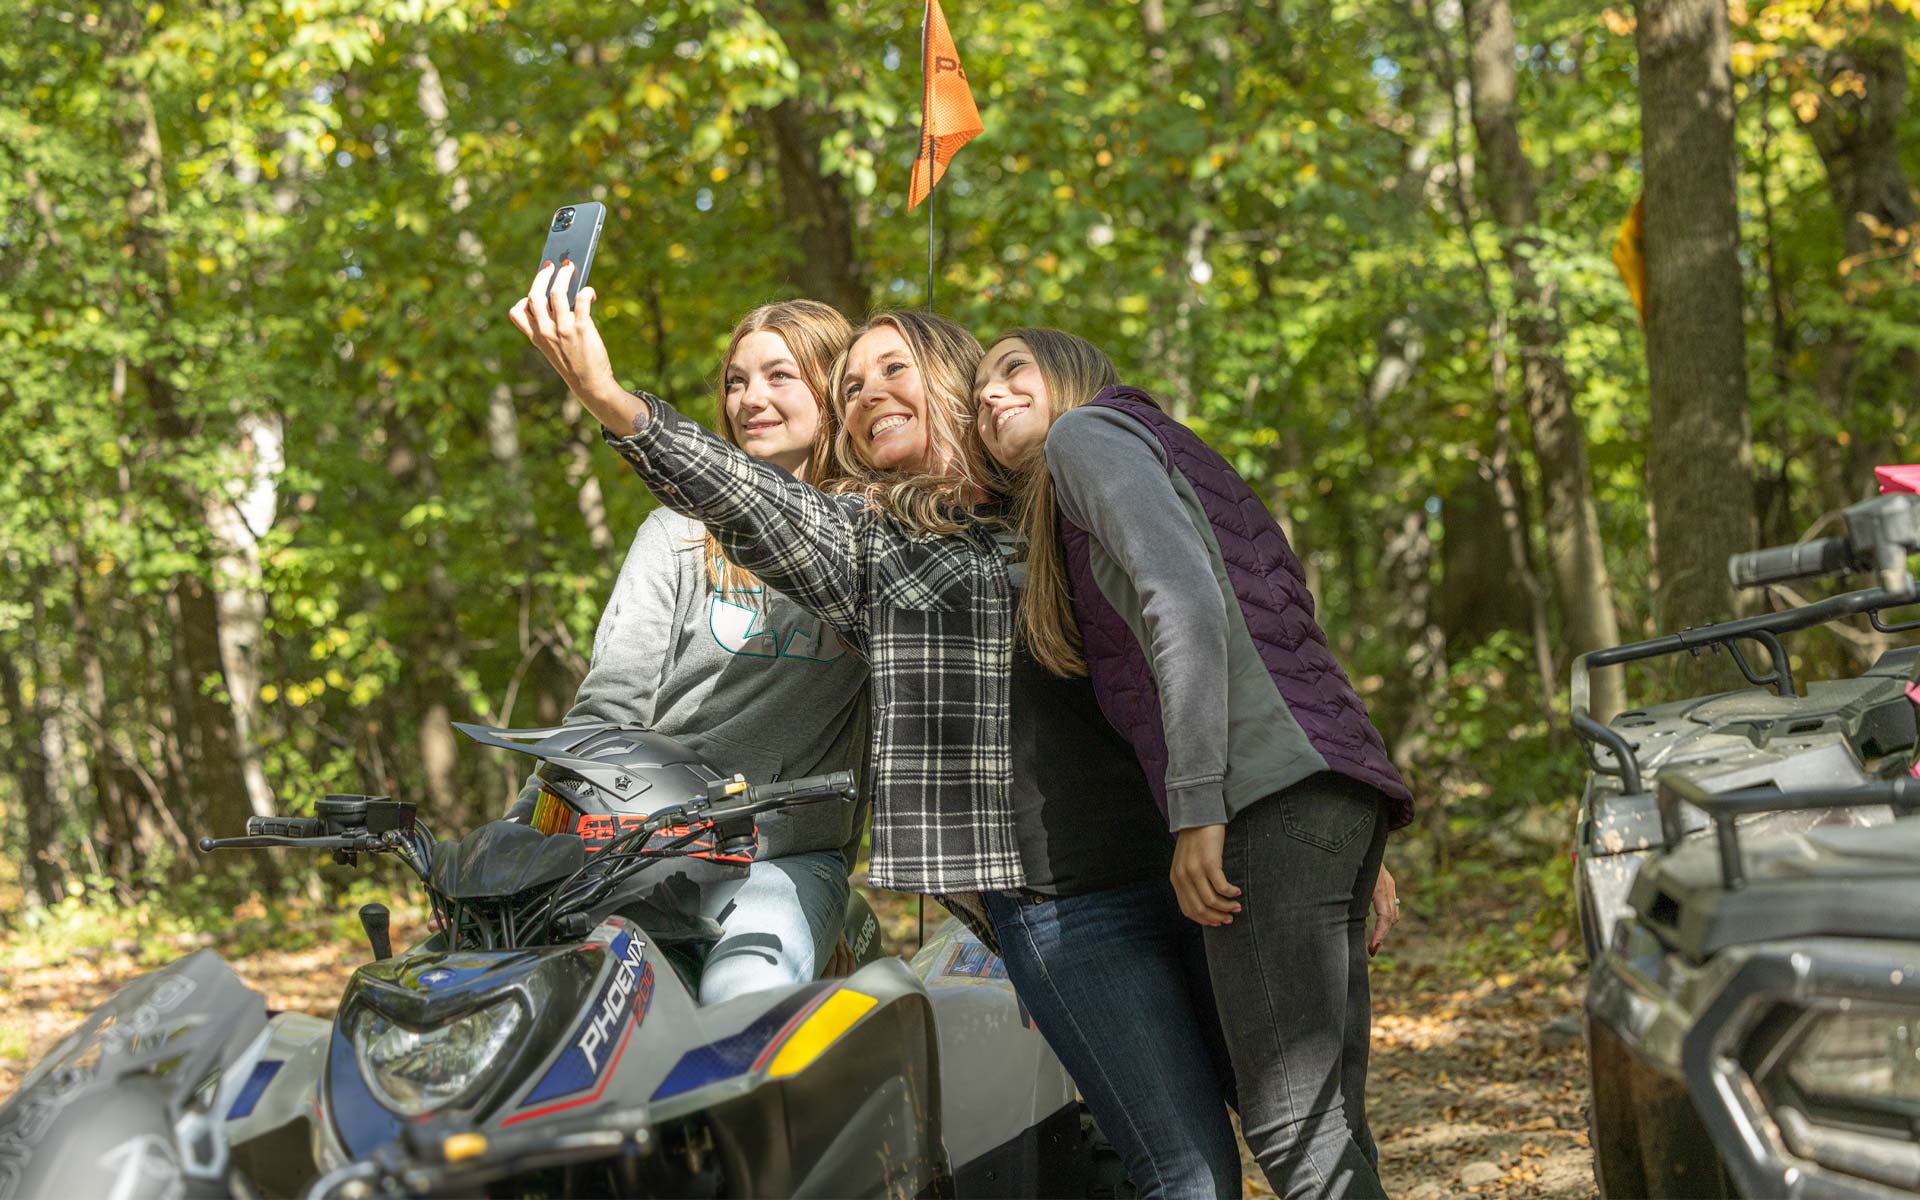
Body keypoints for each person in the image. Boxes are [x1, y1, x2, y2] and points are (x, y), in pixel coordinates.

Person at [510, 270, 1242, 1196]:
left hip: (1197, 851)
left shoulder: (1063, 499)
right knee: (1184, 1166)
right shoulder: (867, 547)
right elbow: (740, 504)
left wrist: (1325, 816)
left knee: (1304, 1131)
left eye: (890, 371)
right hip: (1057, 904)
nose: (865, 396)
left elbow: (1222, 635)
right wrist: (612, 401)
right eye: (851, 385)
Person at [972, 328, 1416, 1199]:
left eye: (1012, 368)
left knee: (1293, 1132)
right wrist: (1338, 806)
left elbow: (1184, 606)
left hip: (1264, 800)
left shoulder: (1085, 436)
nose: (991, 396)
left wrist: (1199, 807)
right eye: (978, 392)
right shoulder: (1160, 451)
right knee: (1329, 1123)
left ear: (1070, 372)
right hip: (1322, 792)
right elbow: (1277, 625)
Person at [508, 299, 867, 1006]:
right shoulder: (676, 532)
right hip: (642, 851)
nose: (750, 399)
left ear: (833, 391)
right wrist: (523, 828)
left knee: (742, 996)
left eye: (780, 375)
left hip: (784, 861)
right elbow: (610, 706)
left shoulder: (873, 544)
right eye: (736, 381)